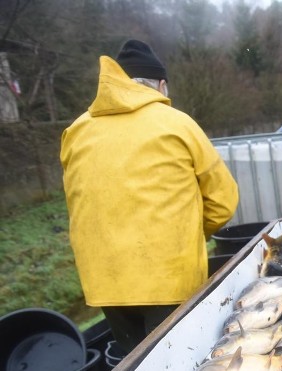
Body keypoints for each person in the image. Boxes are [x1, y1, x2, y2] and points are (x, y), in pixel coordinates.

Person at [60, 39, 239, 354]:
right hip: (169, 281)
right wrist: (187, 237)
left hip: (104, 284)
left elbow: (84, 199)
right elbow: (222, 202)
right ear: (161, 85)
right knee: (181, 370)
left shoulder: (76, 131)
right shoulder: (177, 124)